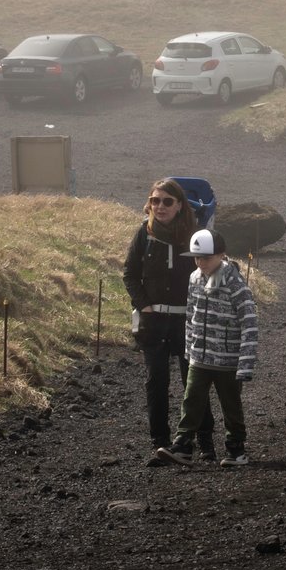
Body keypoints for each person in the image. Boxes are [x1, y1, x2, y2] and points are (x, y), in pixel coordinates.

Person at [123, 178, 214, 465]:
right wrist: (144, 305)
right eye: (154, 200)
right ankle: (160, 445)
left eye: (166, 201)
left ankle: (204, 441)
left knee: (195, 382)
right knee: (156, 382)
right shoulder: (144, 233)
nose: (159, 206)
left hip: (189, 319)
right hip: (154, 321)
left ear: (179, 205)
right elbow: (129, 272)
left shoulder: (196, 234)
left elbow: (212, 271)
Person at [159, 229, 258, 467]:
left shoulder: (236, 284)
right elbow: (191, 315)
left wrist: (245, 364)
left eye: (206, 257)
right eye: (197, 257)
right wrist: (190, 349)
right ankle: (182, 445)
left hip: (227, 360)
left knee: (231, 405)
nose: (201, 262)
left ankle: (236, 449)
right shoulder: (194, 278)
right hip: (199, 357)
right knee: (191, 400)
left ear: (222, 255)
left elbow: (249, 323)